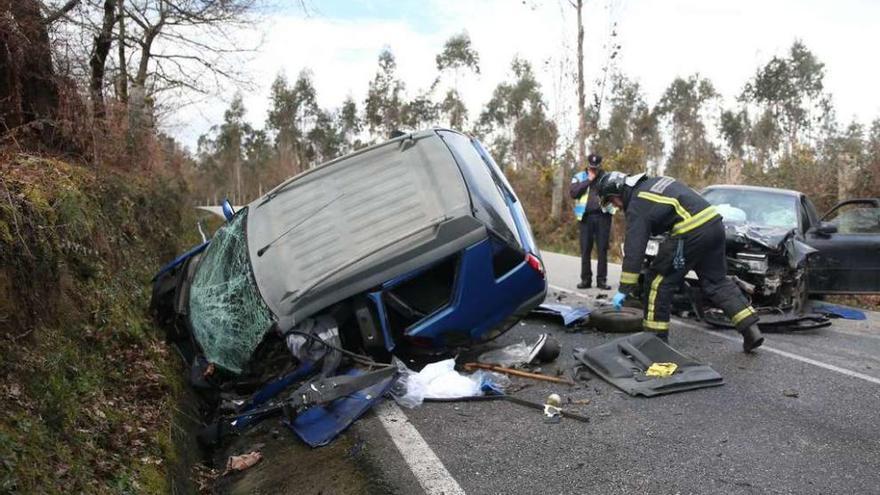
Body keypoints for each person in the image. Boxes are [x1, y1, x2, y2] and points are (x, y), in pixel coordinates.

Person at [595, 171, 764, 352]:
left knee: (658, 281)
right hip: (714, 226)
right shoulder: (655, 183)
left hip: (689, 232)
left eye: (612, 201)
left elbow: (634, 249)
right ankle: (750, 330)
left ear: (618, 191)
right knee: (717, 282)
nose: (616, 207)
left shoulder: (637, 202)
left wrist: (624, 289)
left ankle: (655, 341)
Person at [569, 153, 612, 290]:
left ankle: (602, 281)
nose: (594, 169)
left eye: (596, 167)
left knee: (602, 250)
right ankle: (585, 280)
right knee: (585, 249)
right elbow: (573, 193)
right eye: (591, 167)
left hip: (603, 217)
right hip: (586, 218)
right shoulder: (579, 176)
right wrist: (588, 180)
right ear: (588, 165)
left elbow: (615, 194)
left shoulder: (607, 177)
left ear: (600, 166)